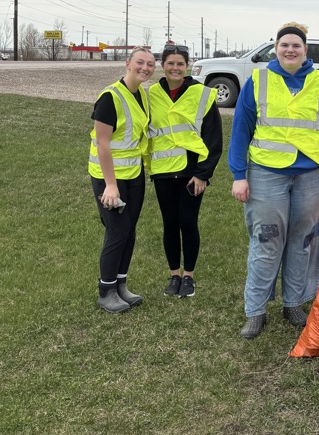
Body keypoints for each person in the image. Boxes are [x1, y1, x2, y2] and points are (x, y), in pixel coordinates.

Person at [229, 22, 319, 339]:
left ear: (305, 50)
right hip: (266, 173)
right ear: (276, 47)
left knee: (303, 241)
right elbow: (241, 129)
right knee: (266, 240)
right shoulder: (258, 80)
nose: (290, 50)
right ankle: (255, 311)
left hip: (312, 176)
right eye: (284, 44)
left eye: (296, 45)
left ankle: (294, 303)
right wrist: (239, 175)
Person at [147, 43, 223, 299]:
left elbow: (213, 138)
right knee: (170, 223)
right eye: (170, 63)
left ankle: (188, 277)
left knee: (188, 222)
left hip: (192, 172)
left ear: (187, 65)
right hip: (163, 170)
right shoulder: (151, 95)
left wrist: (203, 174)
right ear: (162, 65)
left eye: (180, 63)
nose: (175, 68)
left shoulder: (202, 94)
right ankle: (174, 274)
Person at [88, 46, 156, 313]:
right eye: (140, 62)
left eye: (150, 64)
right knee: (117, 231)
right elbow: (103, 144)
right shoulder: (110, 97)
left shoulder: (143, 96)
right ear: (128, 64)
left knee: (129, 231)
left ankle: (121, 285)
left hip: (134, 175)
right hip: (110, 179)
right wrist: (111, 185)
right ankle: (106, 291)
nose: (145, 68)